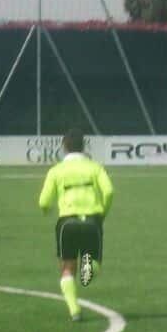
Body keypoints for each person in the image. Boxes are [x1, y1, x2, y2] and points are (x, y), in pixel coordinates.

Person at [37, 128, 114, 322]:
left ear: (64, 147)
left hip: (67, 223)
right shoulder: (95, 167)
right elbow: (109, 191)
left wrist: (46, 210)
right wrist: (103, 212)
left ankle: (74, 310)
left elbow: (43, 202)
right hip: (92, 221)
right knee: (90, 265)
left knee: (67, 267)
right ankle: (87, 273)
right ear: (84, 146)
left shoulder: (56, 171)